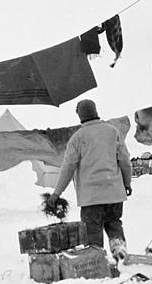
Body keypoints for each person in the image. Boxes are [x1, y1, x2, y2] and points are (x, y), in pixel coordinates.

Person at [46, 99, 133, 261]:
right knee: (114, 222)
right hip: (113, 191)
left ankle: (97, 261)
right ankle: (119, 249)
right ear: (95, 111)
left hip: (91, 197)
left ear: (80, 114)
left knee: (93, 232)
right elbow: (125, 161)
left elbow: (68, 168)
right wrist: (127, 182)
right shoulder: (112, 131)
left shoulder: (77, 138)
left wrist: (56, 194)